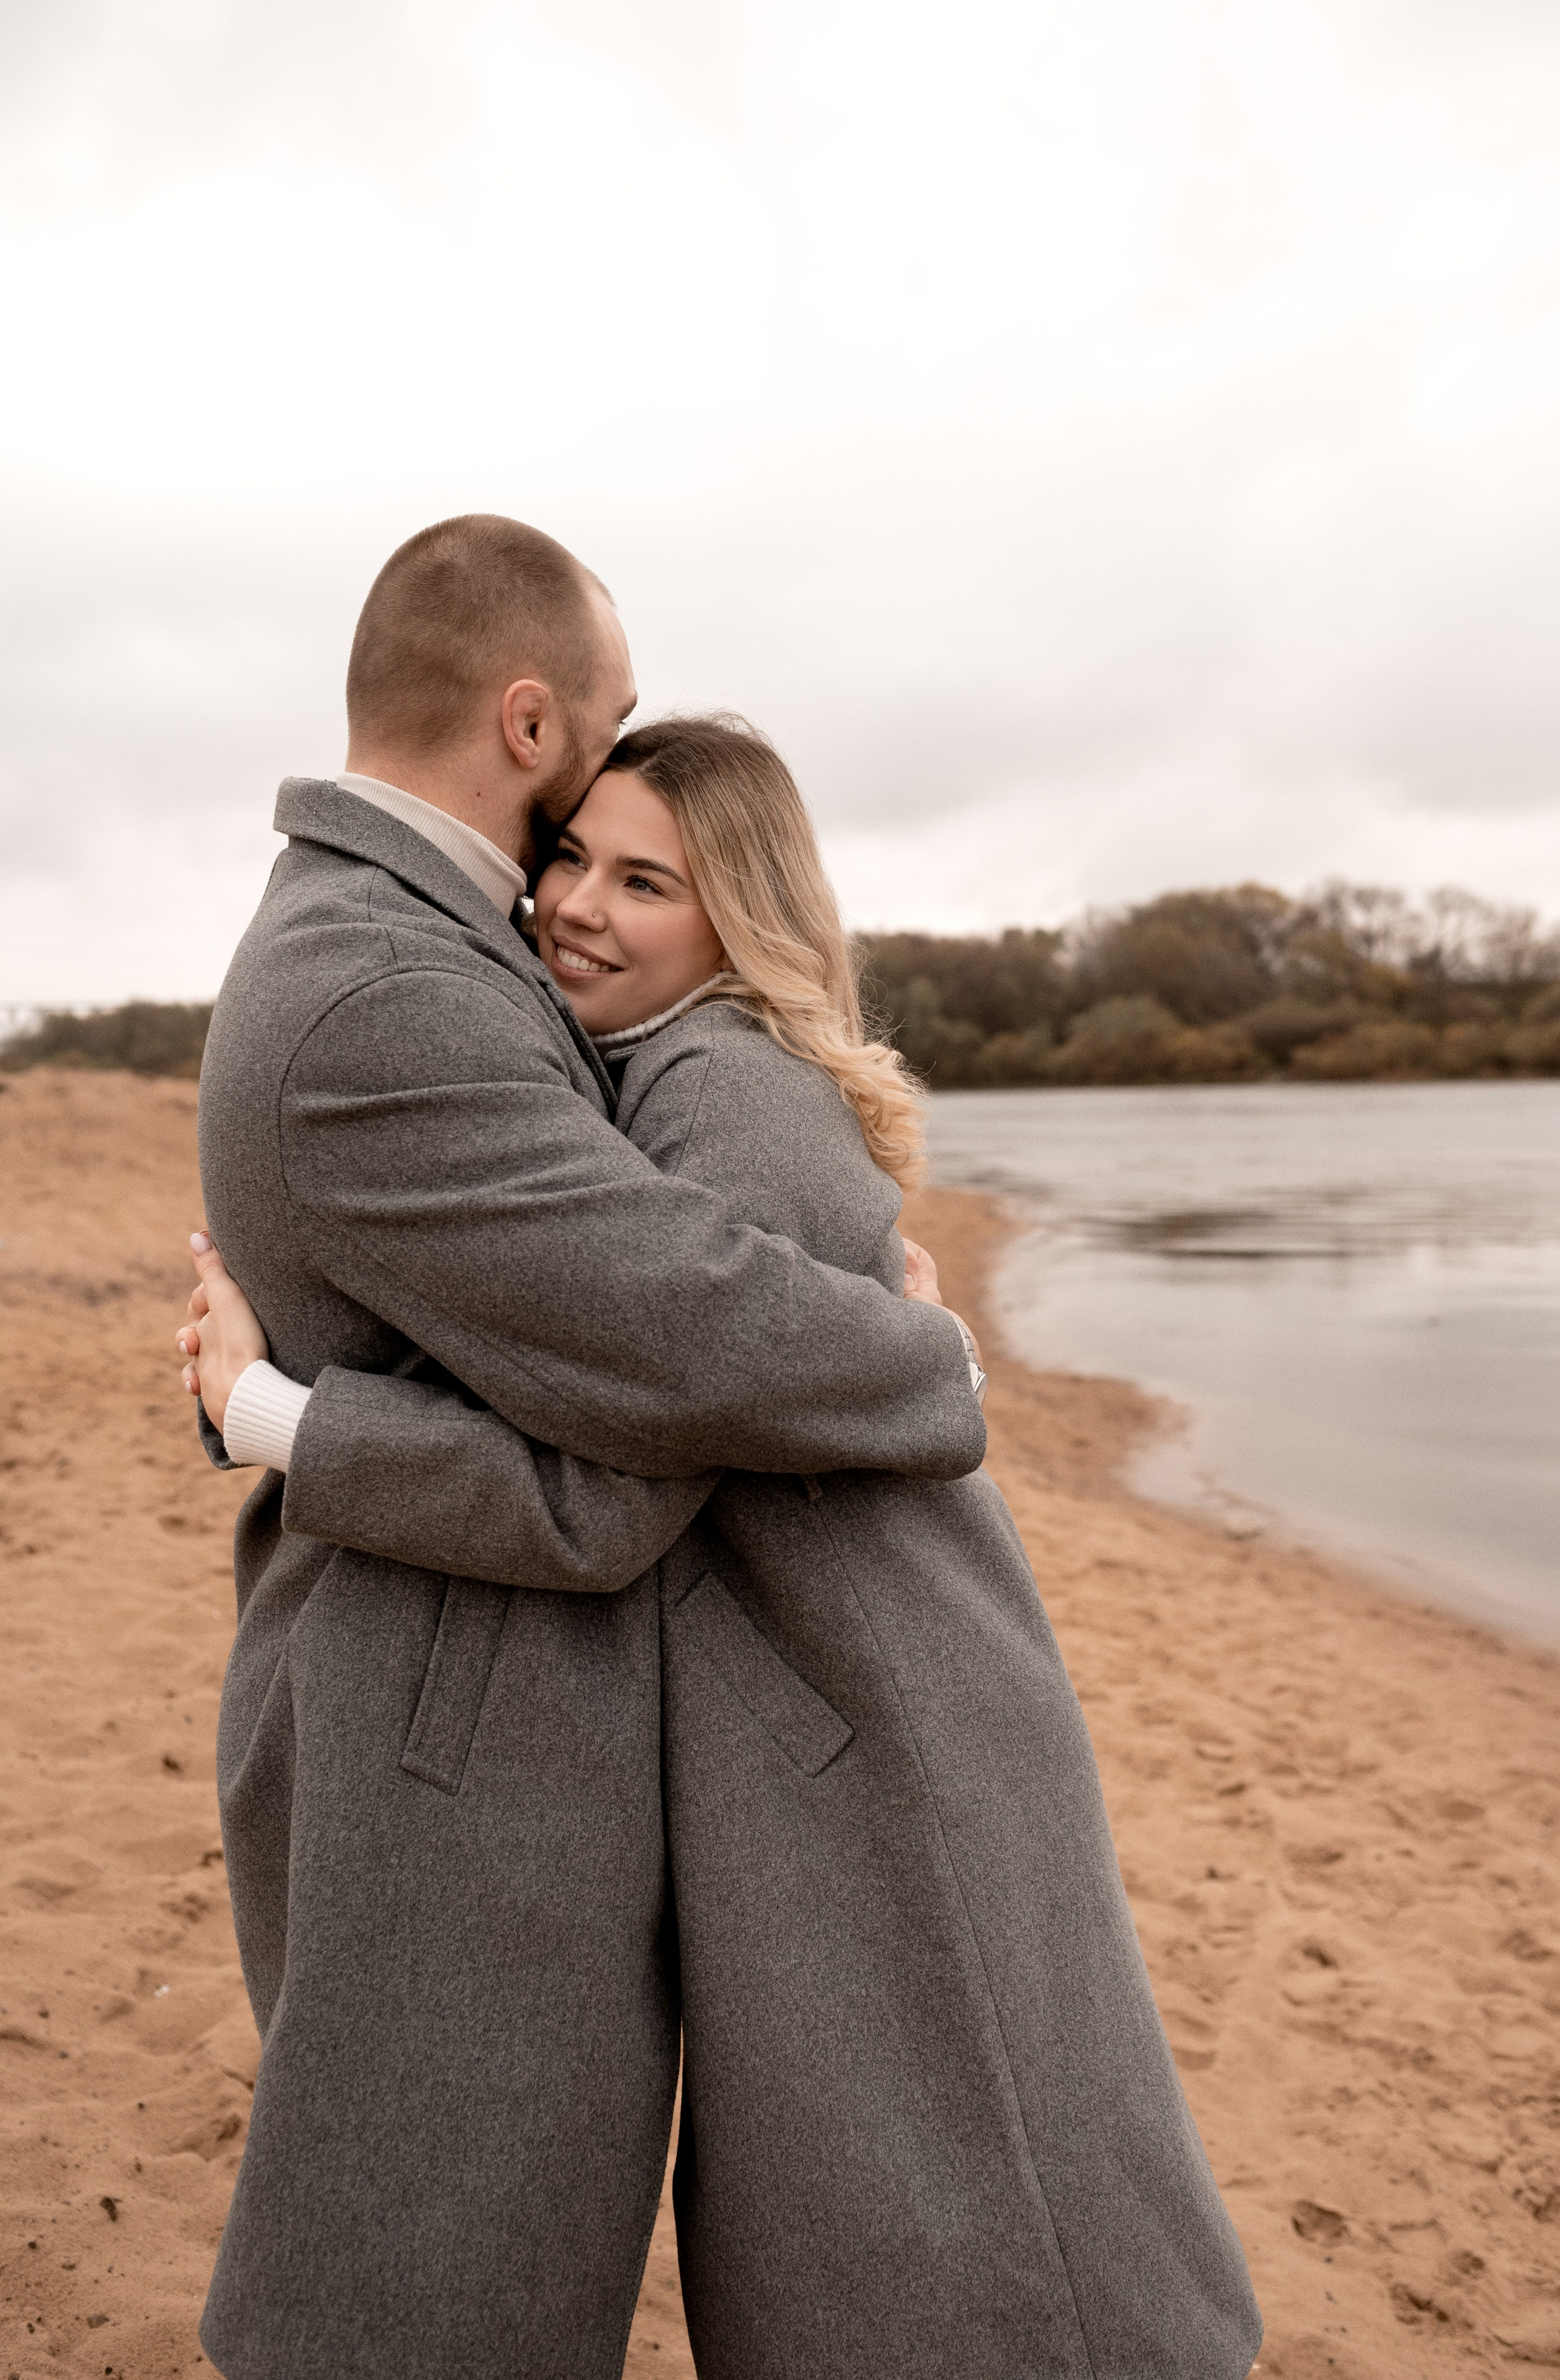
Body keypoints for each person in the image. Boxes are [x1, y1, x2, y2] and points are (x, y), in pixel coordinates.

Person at [182, 712, 1263, 2378]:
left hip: (888, 1716)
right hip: (831, 1702)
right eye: (571, 857)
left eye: (648, 883)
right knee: (899, 2226)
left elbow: (607, 1496)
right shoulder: (644, 1080)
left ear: (742, 919)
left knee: (982, 2239)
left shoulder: (730, 1095)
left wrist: (274, 1414)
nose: (577, 907)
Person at [184, 518, 992, 2380]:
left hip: (458, 1696)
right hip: (442, 1728)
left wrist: (271, 1405)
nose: (587, 868)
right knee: (420, 2297)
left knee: (460, 2270)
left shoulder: (410, 940)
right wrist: (928, 1360)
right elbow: (683, 1329)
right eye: (612, 725)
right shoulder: (389, 986)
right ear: (532, 721)